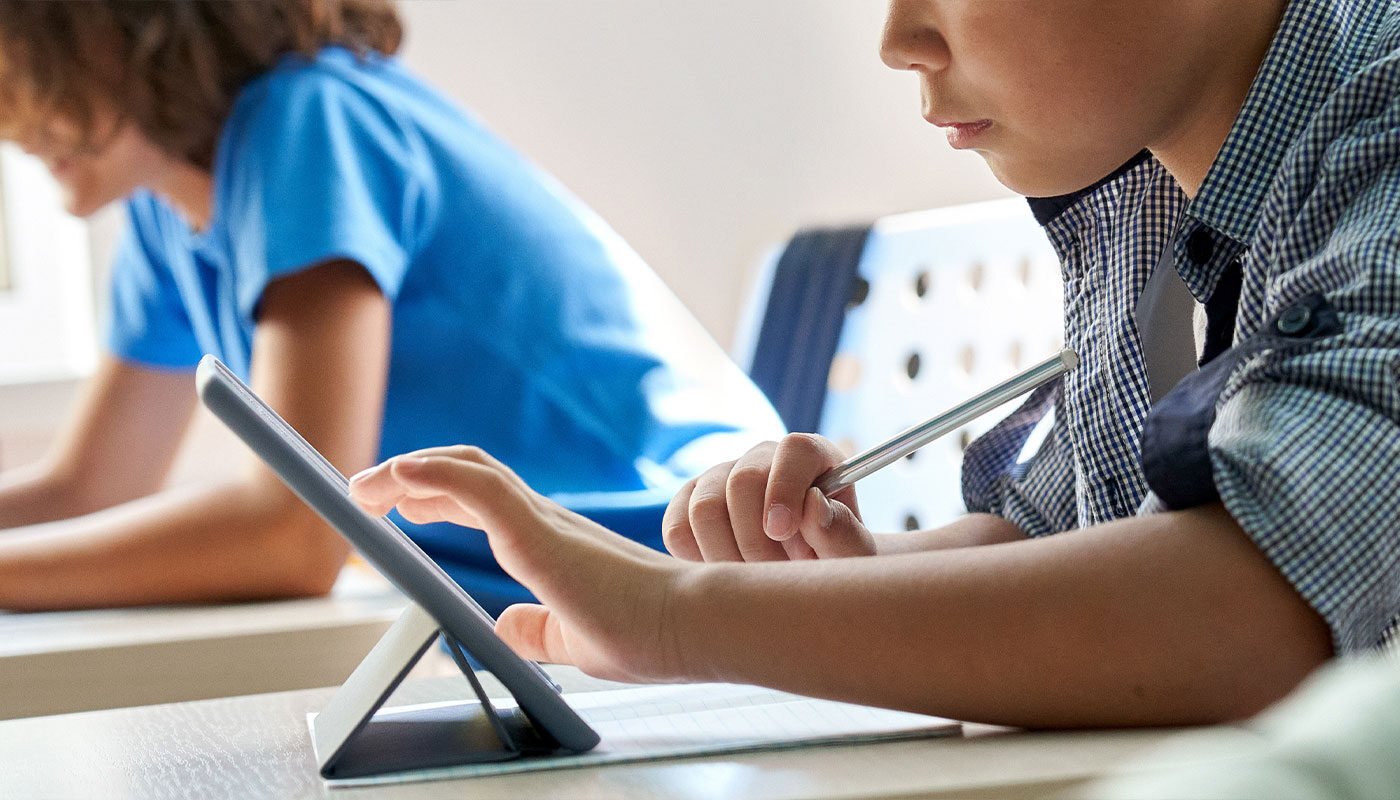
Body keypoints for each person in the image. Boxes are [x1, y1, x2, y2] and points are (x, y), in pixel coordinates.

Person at [349, 0, 1400, 727]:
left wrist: (676, 620)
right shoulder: (1132, 190)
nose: (897, 41)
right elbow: (1049, 532)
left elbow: (1253, 610)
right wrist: (821, 581)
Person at [0, 0, 782, 615]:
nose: (10, 107)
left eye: (31, 50)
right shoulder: (164, 210)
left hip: (690, 554)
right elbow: (91, 488)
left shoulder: (307, 121)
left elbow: (295, 532)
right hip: (544, 592)